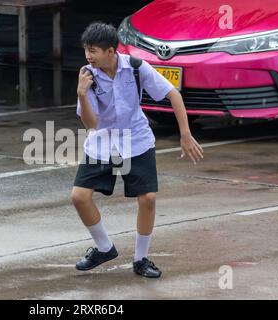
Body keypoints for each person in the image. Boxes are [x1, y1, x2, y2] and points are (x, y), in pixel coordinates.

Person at [71, 22, 204, 278]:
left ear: (111, 51)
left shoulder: (135, 68)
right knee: (79, 197)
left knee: (149, 199)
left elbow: (172, 95)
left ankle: (141, 259)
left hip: (136, 139)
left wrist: (185, 134)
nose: (89, 55)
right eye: (86, 50)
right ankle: (104, 248)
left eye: (94, 50)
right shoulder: (87, 75)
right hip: (102, 143)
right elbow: (91, 124)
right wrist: (81, 94)